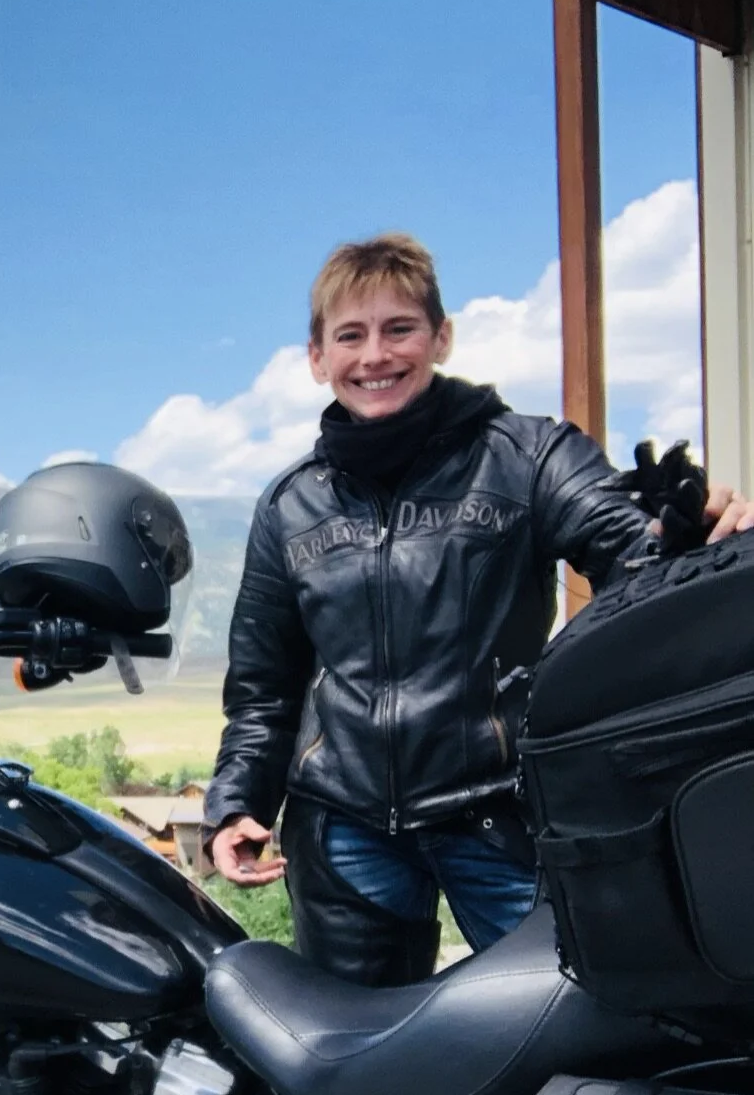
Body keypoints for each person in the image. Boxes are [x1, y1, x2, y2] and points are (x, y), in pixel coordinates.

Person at [203, 233, 754, 987]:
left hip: (498, 815)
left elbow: (628, 549)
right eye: (350, 335)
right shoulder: (290, 505)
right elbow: (264, 686)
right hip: (345, 826)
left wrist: (689, 537)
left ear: (441, 337)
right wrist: (237, 800)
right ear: (317, 358)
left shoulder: (527, 456)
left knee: (570, 1016)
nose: (375, 355)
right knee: (355, 1044)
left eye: (399, 328)